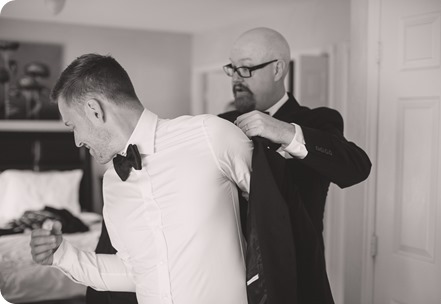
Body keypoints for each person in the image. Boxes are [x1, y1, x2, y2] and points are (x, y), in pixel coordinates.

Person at [29, 53, 253, 304]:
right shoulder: (113, 184)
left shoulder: (211, 136)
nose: (77, 141)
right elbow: (134, 272)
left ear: (94, 110)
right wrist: (61, 255)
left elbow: (279, 214)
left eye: (73, 126)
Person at [218, 27, 372, 303]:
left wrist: (285, 132)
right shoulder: (220, 124)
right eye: (233, 68)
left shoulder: (317, 121)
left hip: (299, 282)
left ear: (278, 69)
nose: (236, 79)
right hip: (228, 283)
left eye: (246, 69)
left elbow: (356, 168)